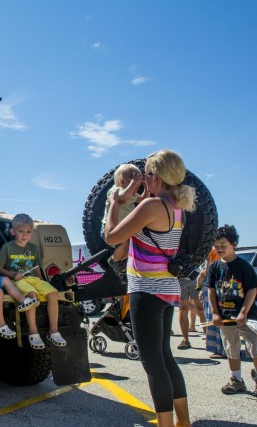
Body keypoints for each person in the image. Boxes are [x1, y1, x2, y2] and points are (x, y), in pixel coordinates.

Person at [104, 149, 195, 427]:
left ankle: (166, 424)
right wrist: (143, 195)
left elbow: (111, 236)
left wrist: (115, 202)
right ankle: (182, 421)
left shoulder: (152, 207)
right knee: (165, 358)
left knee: (152, 363)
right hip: (166, 290)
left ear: (156, 176)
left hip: (145, 289)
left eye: (148, 174)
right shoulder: (176, 207)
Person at [0, 214, 66, 347]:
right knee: (32, 295)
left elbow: (37, 267)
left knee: (53, 293)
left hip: (33, 279)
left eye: (28, 232)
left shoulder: (33, 248)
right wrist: (12, 274)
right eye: (21, 231)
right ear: (12, 231)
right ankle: (33, 332)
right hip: (17, 281)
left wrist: (42, 282)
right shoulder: (7, 248)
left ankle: (54, 331)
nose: (24, 235)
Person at [205, 225, 257, 395]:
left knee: (255, 348)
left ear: (234, 244)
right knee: (231, 349)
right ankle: (237, 380)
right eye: (216, 246)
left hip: (247, 317)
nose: (219, 249)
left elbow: (252, 290)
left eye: (223, 245)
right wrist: (214, 312)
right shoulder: (214, 267)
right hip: (225, 317)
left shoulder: (244, 266)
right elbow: (211, 290)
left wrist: (244, 311)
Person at [102, 163, 145, 276]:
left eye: (138, 186)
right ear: (122, 182)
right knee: (126, 241)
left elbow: (143, 200)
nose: (136, 188)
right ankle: (114, 260)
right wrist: (132, 184)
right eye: (135, 185)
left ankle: (119, 260)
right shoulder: (115, 191)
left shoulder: (132, 194)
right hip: (111, 229)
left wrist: (147, 189)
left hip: (124, 228)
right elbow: (122, 198)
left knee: (134, 242)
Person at [199, 247, 226, 359]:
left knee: (213, 318)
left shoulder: (211, 251)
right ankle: (224, 349)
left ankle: (220, 350)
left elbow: (206, 271)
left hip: (212, 288)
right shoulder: (218, 250)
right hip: (217, 287)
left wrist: (201, 282)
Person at [177, 277, 204, 350]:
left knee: (201, 309)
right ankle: (185, 340)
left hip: (197, 277)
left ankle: (209, 339)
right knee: (183, 309)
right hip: (181, 278)